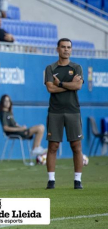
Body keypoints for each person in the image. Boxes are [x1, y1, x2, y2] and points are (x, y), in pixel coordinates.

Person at [44, 38, 84, 190]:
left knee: (76, 145)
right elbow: (50, 89)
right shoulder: (50, 68)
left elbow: (78, 85)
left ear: (71, 50)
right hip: (55, 111)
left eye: (68, 47)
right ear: (57, 49)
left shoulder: (77, 67)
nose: (66, 50)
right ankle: (51, 180)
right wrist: (70, 86)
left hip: (73, 111)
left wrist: (60, 83)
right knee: (53, 146)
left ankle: (77, 180)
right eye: (63, 47)